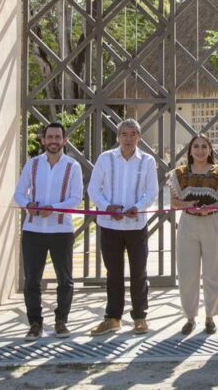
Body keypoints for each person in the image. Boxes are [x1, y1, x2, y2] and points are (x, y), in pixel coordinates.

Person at [88, 118, 160, 336]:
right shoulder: (105, 158)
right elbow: (93, 189)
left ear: (139, 137)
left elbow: (152, 192)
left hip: (136, 225)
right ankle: (113, 318)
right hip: (110, 225)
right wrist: (107, 207)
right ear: (118, 137)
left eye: (133, 134)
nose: (128, 139)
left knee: (139, 272)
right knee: (113, 273)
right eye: (124, 135)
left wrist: (137, 207)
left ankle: (139, 317)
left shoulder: (147, 160)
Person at [14, 121, 84, 341]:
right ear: (43, 140)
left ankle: (61, 321)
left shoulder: (73, 166)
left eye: (57, 137)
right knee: (32, 280)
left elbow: (76, 198)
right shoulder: (32, 164)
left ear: (64, 140)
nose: (54, 141)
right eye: (50, 137)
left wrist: (52, 208)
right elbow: (19, 193)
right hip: (33, 230)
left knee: (65, 280)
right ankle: (35, 323)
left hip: (61, 230)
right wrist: (29, 204)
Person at [167, 134, 218, 336]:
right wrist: (189, 205)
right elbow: (174, 202)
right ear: (190, 150)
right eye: (196, 146)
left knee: (213, 271)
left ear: (210, 150)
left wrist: (208, 208)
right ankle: (190, 317)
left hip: (212, 223)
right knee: (187, 272)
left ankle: (210, 317)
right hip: (188, 223)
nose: (200, 150)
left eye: (204, 146)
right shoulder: (179, 173)